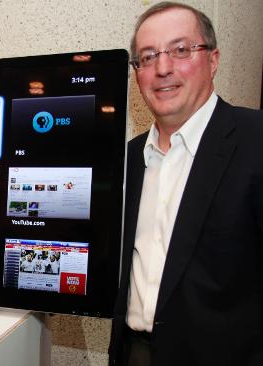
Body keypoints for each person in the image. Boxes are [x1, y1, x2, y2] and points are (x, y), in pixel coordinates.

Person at [109, 2, 263, 365]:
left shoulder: (256, 141)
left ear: (212, 60)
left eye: (181, 50)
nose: (163, 68)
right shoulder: (126, 160)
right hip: (133, 355)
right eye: (147, 57)